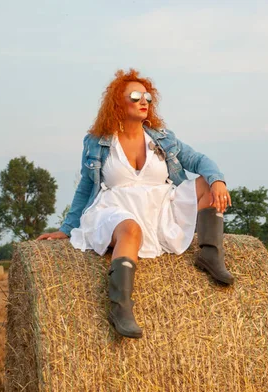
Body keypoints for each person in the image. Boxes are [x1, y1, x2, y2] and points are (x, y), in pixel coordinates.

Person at [37, 69, 234, 339]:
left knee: (206, 183)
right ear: (117, 102)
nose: (144, 101)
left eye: (148, 97)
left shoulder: (163, 138)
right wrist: (68, 227)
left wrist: (217, 181)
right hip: (116, 208)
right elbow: (85, 186)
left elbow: (200, 161)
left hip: (161, 208)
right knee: (131, 230)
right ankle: (121, 308)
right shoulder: (98, 143)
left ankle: (210, 254)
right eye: (135, 95)